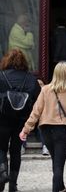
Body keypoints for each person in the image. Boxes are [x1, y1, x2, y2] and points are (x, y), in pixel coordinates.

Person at [19, 62, 66, 192]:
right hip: (63, 130)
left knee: (56, 161)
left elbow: (36, 111)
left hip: (45, 130)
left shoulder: (45, 90)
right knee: (59, 164)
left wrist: (26, 129)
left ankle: (62, 188)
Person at [0, 50, 40, 192]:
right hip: (22, 120)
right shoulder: (30, 79)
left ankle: (2, 172)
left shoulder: (1, 76)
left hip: (3, 119)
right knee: (16, 151)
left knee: (1, 148)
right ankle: (13, 186)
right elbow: (38, 100)